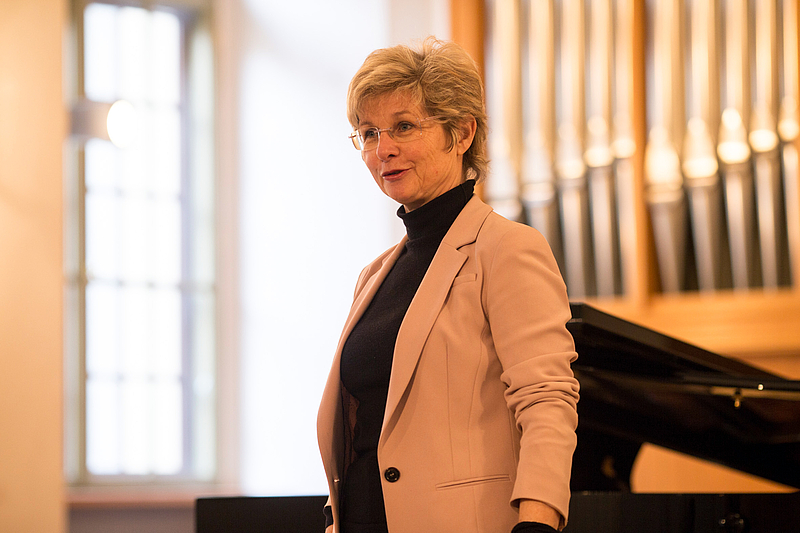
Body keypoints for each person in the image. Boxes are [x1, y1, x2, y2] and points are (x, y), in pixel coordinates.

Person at [316, 37, 579, 533]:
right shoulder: (373, 276)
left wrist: (538, 523)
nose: (383, 149)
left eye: (404, 127)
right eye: (369, 133)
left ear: (461, 133)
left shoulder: (506, 249)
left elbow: (547, 401)